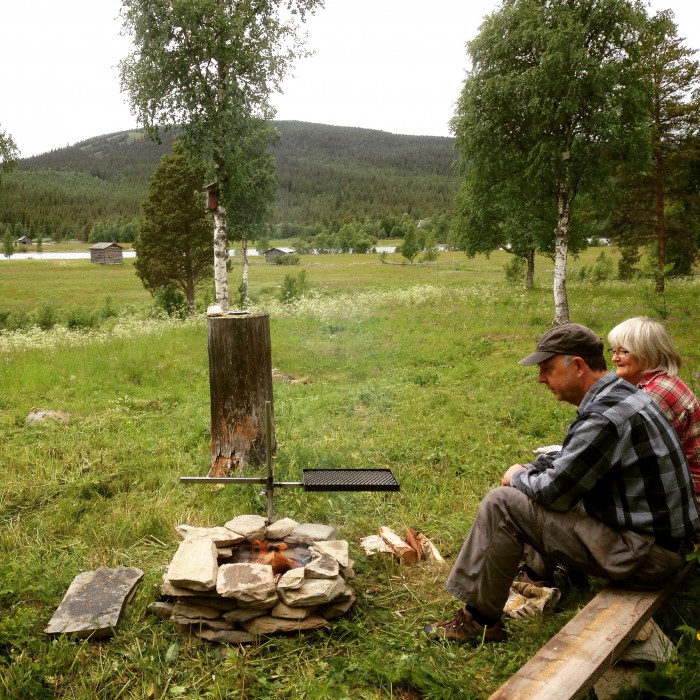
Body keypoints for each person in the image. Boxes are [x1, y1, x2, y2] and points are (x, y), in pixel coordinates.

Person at [425, 323, 699, 644]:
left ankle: (479, 622)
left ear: (578, 366)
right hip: (661, 545)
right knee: (531, 491)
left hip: (647, 557)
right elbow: (572, 461)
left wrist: (517, 476)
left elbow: (554, 491)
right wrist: (529, 469)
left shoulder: (604, 417)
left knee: (503, 503)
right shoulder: (621, 396)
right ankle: (533, 577)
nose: (541, 379)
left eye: (547, 369)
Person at [608, 317, 700, 514]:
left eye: (623, 351)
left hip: (687, 498)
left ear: (647, 352)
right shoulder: (660, 382)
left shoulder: (656, 395)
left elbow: (625, 452)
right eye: (613, 351)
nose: (615, 358)